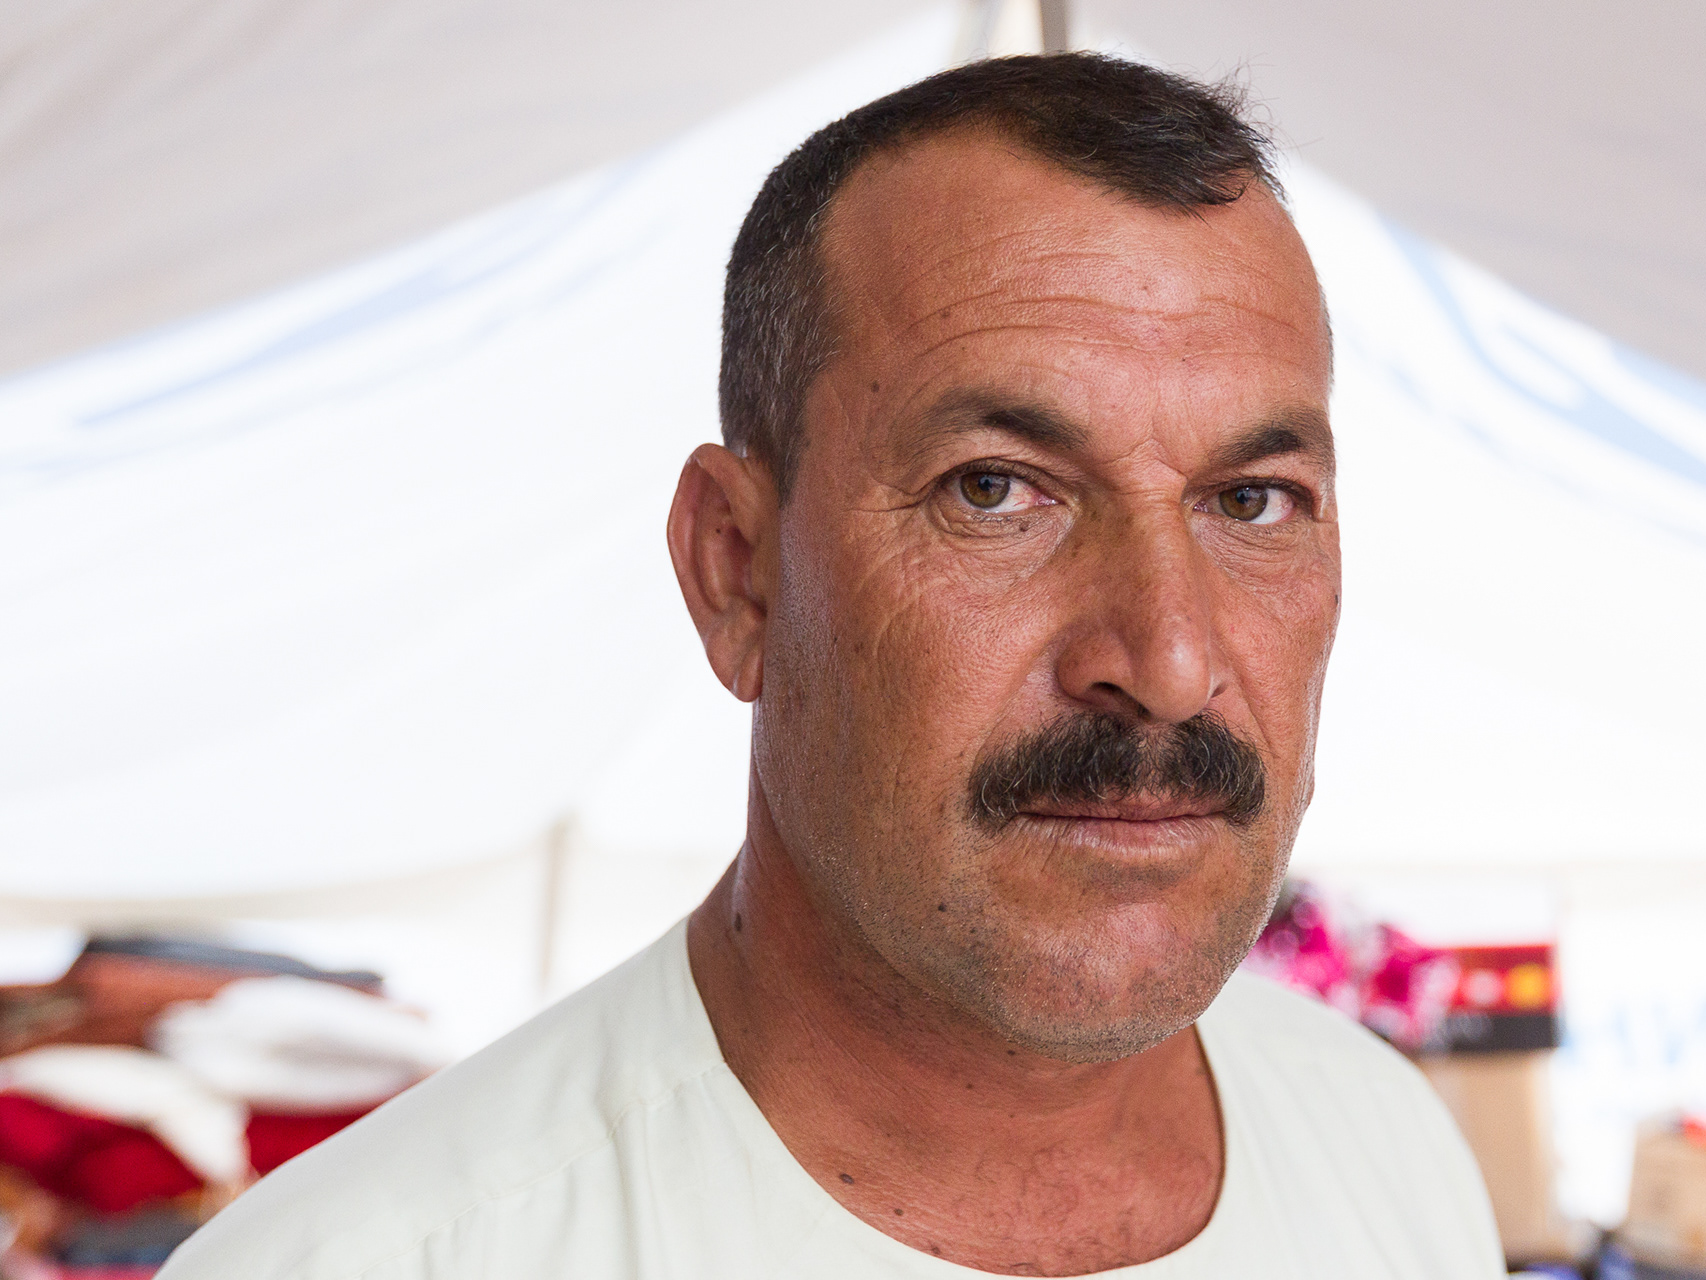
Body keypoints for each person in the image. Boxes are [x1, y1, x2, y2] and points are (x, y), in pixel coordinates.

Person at [159, 53, 1502, 1279]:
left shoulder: (1387, 1156)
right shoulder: (376, 1261)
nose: (1164, 660)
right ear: (737, 572)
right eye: (996, 490)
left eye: (1252, 500)